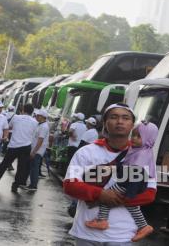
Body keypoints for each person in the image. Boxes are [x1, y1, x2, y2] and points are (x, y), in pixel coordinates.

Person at [63, 103, 157, 245]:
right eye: (114, 117)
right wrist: (100, 194)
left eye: (125, 118)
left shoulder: (144, 156)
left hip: (122, 236)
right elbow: (70, 186)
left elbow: (149, 193)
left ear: (132, 125)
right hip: (86, 233)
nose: (120, 121)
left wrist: (112, 198)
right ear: (105, 123)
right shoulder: (86, 152)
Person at [85, 121, 158, 242]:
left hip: (128, 184)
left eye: (138, 136)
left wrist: (131, 193)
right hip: (127, 183)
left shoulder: (141, 155)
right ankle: (144, 226)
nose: (133, 138)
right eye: (133, 135)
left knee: (107, 197)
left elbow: (137, 175)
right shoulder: (140, 150)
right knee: (132, 207)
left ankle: (102, 220)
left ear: (148, 139)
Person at [0, 103, 38, 192]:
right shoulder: (35, 122)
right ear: (32, 112)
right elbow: (33, 134)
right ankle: (15, 186)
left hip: (14, 145)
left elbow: (9, 127)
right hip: (26, 147)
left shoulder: (16, 117)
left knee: (3, 165)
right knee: (21, 168)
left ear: (23, 109)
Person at [27, 108, 50, 191]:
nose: (36, 116)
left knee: (34, 167)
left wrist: (34, 152)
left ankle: (33, 185)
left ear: (43, 117)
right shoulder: (40, 124)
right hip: (35, 149)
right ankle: (31, 184)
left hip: (37, 151)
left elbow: (40, 141)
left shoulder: (44, 127)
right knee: (32, 167)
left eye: (38, 115)